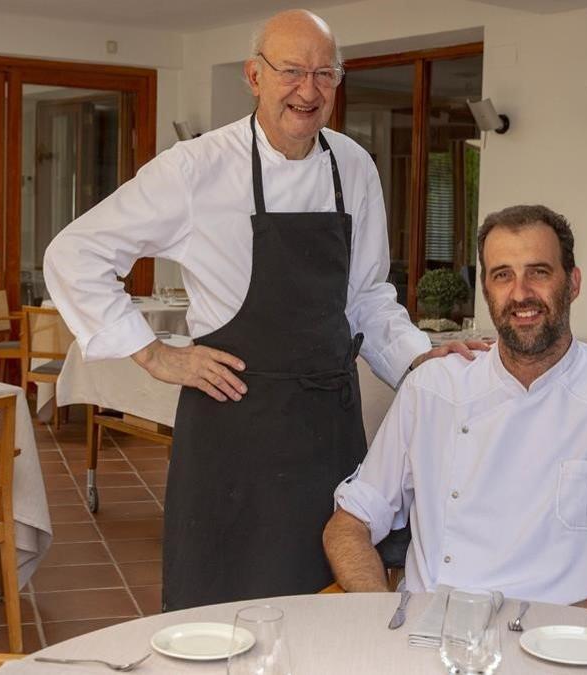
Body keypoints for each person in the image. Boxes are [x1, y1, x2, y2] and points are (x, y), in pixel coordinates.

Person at [44, 9, 486, 611]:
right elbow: (75, 252)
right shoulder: (196, 168)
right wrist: (153, 355)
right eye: (292, 72)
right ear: (254, 76)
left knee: (328, 599)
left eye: (325, 74)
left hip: (329, 430)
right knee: (225, 608)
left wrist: (421, 362)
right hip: (234, 434)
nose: (309, 90)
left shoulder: (352, 165)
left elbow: (367, 298)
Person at [322, 205, 587, 620]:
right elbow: (348, 525)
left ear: (572, 283)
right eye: (503, 275)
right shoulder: (433, 390)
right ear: (486, 290)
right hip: (433, 637)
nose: (520, 294)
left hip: (561, 648)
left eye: (538, 272)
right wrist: (382, 615)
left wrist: (567, 631)